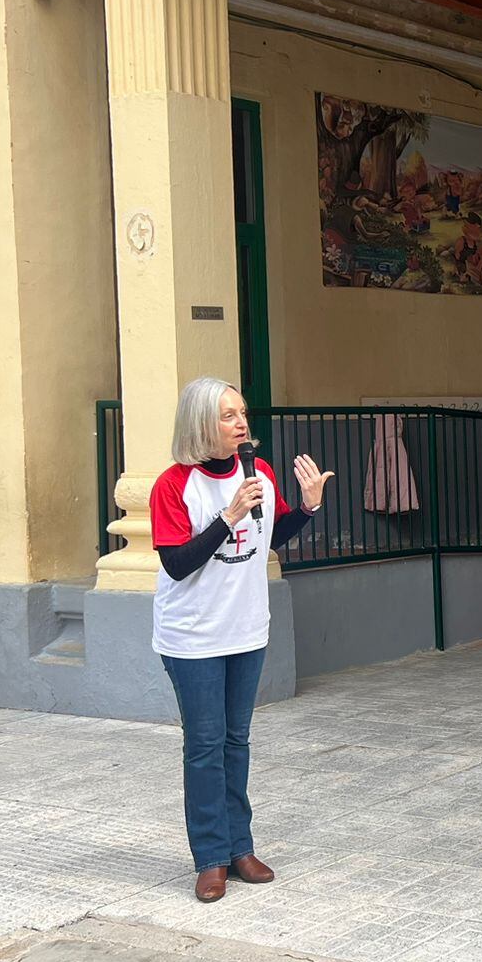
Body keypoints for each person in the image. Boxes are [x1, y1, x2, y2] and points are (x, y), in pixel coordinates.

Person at [151, 377, 333, 903]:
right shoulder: (173, 485)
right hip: (192, 637)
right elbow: (177, 563)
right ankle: (209, 858)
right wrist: (226, 515)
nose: (241, 423)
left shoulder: (261, 472)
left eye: (242, 413)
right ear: (201, 422)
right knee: (205, 745)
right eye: (228, 415)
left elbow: (269, 537)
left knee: (237, 741)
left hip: (246, 630)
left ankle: (240, 848)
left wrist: (307, 507)